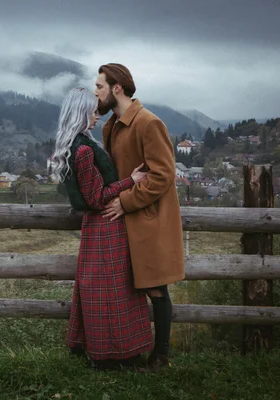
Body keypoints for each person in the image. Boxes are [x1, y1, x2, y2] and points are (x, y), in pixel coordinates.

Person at [51, 87, 153, 370]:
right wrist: (131, 180)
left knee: (101, 290)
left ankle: (105, 352)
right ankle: (115, 356)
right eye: (93, 112)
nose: (97, 117)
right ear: (82, 113)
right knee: (114, 292)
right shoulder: (83, 149)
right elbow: (96, 198)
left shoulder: (77, 143)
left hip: (97, 228)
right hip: (105, 225)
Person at [95, 63, 186, 371]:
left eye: (100, 86)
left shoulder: (148, 123)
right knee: (123, 288)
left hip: (148, 218)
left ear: (116, 88)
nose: (96, 93)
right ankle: (127, 353)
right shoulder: (110, 126)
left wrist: (126, 202)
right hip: (123, 220)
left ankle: (160, 358)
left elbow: (163, 175)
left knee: (155, 287)